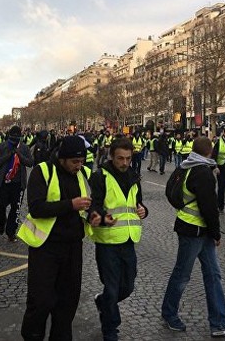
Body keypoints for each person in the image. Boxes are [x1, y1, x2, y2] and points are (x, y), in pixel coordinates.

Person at [161, 137, 225, 337]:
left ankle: (219, 322)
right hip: (195, 231)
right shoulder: (203, 173)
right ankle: (169, 313)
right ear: (209, 152)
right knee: (183, 275)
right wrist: (216, 233)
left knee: (213, 275)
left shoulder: (185, 166)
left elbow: (170, 191)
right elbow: (209, 207)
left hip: (194, 228)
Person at [19, 135, 93, 340]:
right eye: (74, 162)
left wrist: (96, 215)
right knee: (41, 301)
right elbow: (36, 208)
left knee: (68, 302)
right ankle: (33, 336)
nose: (79, 166)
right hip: (45, 246)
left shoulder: (85, 173)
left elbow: (91, 204)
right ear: (62, 158)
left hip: (73, 247)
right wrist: (70, 205)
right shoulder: (42, 171)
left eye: (82, 161)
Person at [89, 138, 147, 341]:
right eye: (120, 158)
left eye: (128, 159)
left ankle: (103, 302)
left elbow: (138, 204)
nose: (124, 163)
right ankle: (110, 329)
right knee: (112, 289)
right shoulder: (99, 177)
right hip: (107, 242)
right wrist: (99, 217)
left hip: (128, 240)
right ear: (111, 156)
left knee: (128, 287)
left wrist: (143, 210)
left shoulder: (134, 177)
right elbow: (93, 206)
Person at [0, 126, 33, 240]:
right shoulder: (2, 146)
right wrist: (8, 155)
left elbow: (30, 162)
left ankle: (11, 232)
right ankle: (2, 223)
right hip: (4, 182)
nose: (15, 140)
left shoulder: (24, 148)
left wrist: (19, 154)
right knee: (0, 206)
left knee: (16, 209)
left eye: (17, 138)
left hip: (18, 183)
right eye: (13, 137)